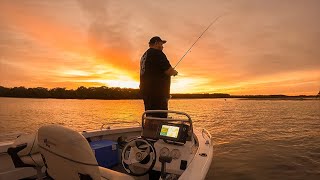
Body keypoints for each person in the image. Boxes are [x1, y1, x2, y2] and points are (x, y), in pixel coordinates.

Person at [140, 36, 178, 135]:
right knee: (160, 118)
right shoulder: (157, 53)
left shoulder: (144, 55)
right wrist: (175, 72)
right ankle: (160, 141)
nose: (162, 47)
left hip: (146, 92)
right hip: (157, 92)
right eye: (161, 44)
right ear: (156, 43)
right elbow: (169, 70)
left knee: (150, 117)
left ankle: (148, 138)